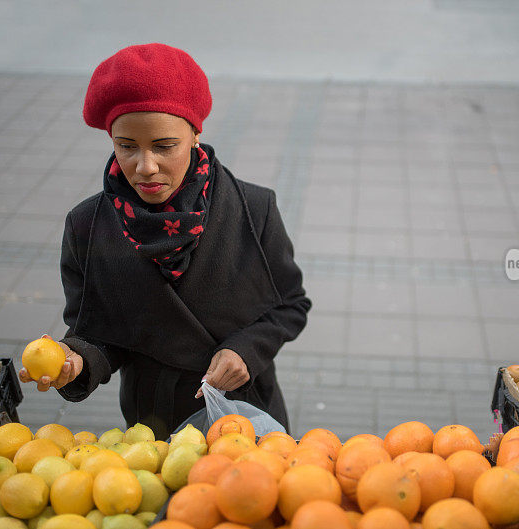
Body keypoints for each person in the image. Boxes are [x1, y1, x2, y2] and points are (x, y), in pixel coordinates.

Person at [18, 43, 311, 439]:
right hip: (154, 424)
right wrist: (75, 360)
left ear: (193, 133)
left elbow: (290, 304)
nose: (146, 167)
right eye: (126, 146)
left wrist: (246, 350)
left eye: (164, 146)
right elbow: (99, 334)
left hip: (247, 411)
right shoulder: (88, 225)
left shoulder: (253, 208)